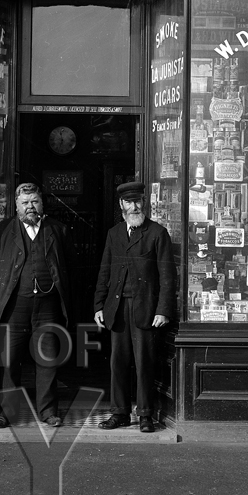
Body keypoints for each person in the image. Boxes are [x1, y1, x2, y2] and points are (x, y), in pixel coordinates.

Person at [0, 182, 73, 427]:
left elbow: (70, 270)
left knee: (48, 360)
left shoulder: (59, 230)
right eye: (25, 203)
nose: (30, 207)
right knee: (9, 361)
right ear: (16, 206)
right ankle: (7, 413)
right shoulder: (1, 231)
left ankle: (48, 411)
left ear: (42, 203)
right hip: (14, 305)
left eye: (34, 202)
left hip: (48, 305)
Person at [94, 181, 175, 433]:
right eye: (128, 202)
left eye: (138, 201)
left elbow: (167, 276)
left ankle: (145, 415)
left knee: (144, 363)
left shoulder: (157, 233)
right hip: (117, 308)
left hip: (146, 309)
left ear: (145, 203)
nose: (134, 206)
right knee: (117, 362)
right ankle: (119, 413)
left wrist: (163, 309)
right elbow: (104, 271)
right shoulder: (114, 233)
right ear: (121, 205)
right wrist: (99, 305)